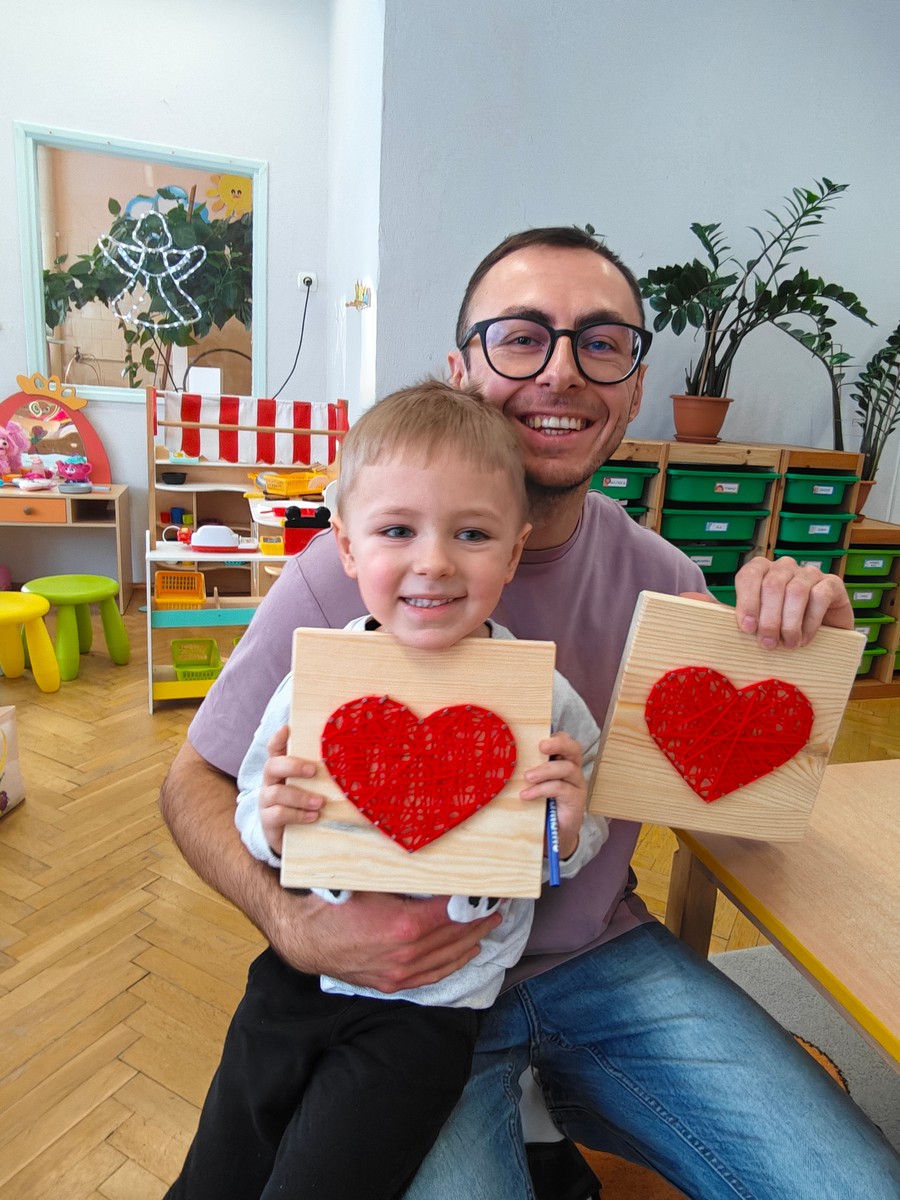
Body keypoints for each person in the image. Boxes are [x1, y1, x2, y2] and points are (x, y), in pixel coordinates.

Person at [161, 227, 900, 1198]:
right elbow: (197, 781)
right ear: (462, 370)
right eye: (521, 337)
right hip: (407, 990)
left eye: (601, 343)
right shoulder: (345, 573)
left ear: (633, 386)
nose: (561, 372)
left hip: (604, 961)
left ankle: (560, 1129)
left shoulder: (664, 579)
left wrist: (809, 652)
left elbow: (737, 805)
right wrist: (292, 924)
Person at [165, 383, 608, 1200]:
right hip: (293, 981)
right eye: (398, 531)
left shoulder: (542, 698)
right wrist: (270, 823)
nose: (433, 562)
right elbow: (253, 795)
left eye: (472, 534)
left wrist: (569, 830)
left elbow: (574, 833)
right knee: (219, 1168)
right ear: (345, 545)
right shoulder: (319, 678)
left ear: (514, 553)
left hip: (432, 1010)